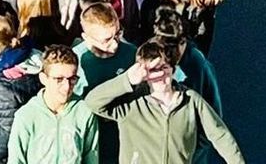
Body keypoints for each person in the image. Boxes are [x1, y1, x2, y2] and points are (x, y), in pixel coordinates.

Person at [82, 42, 245, 164]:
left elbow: (220, 136)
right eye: (152, 70)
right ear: (142, 73)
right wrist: (127, 80)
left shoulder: (191, 100)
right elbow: (93, 102)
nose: (159, 75)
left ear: (173, 70)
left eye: (164, 68)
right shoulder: (132, 103)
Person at [8, 44, 95, 164]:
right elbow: (15, 160)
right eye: (59, 79)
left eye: (72, 79)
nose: (66, 87)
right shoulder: (26, 115)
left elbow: (91, 156)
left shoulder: (84, 112)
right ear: (43, 79)